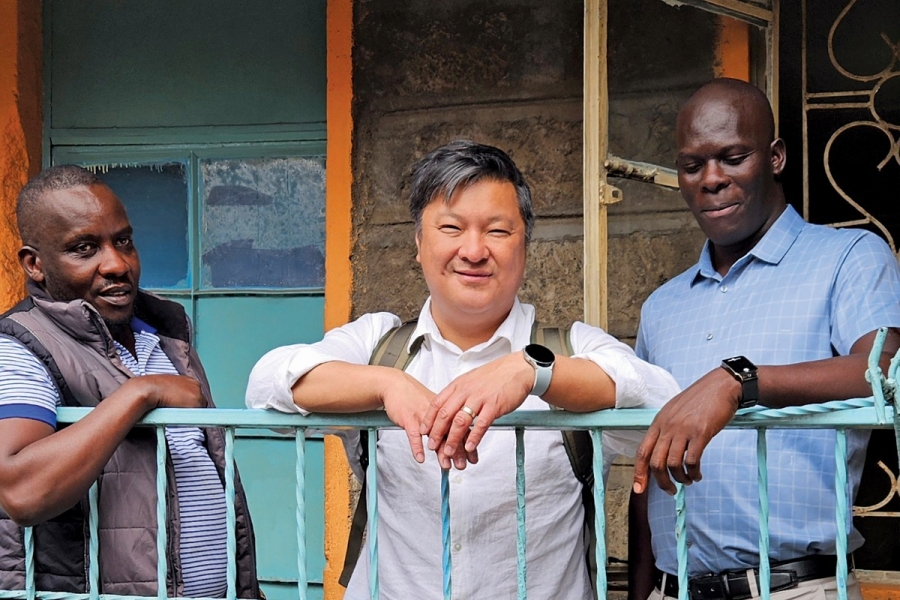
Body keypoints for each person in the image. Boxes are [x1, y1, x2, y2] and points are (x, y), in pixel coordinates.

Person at [246, 140, 680, 599]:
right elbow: (267, 383)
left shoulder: (574, 347)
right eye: (451, 228)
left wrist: (533, 372)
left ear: (525, 247)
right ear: (418, 243)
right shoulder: (380, 345)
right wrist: (386, 385)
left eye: (497, 231)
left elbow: (668, 402)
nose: (473, 251)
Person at [632, 78, 900, 600]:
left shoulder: (847, 257)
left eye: (733, 158)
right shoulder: (661, 306)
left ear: (775, 157)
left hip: (792, 588)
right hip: (673, 589)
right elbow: (650, 468)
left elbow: (882, 367)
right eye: (692, 166)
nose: (711, 179)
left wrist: (738, 381)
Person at [0, 166, 260, 598]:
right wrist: (142, 392)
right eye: (84, 248)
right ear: (36, 264)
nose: (117, 264)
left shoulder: (164, 336)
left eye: (123, 241)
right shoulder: (21, 346)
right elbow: (22, 491)